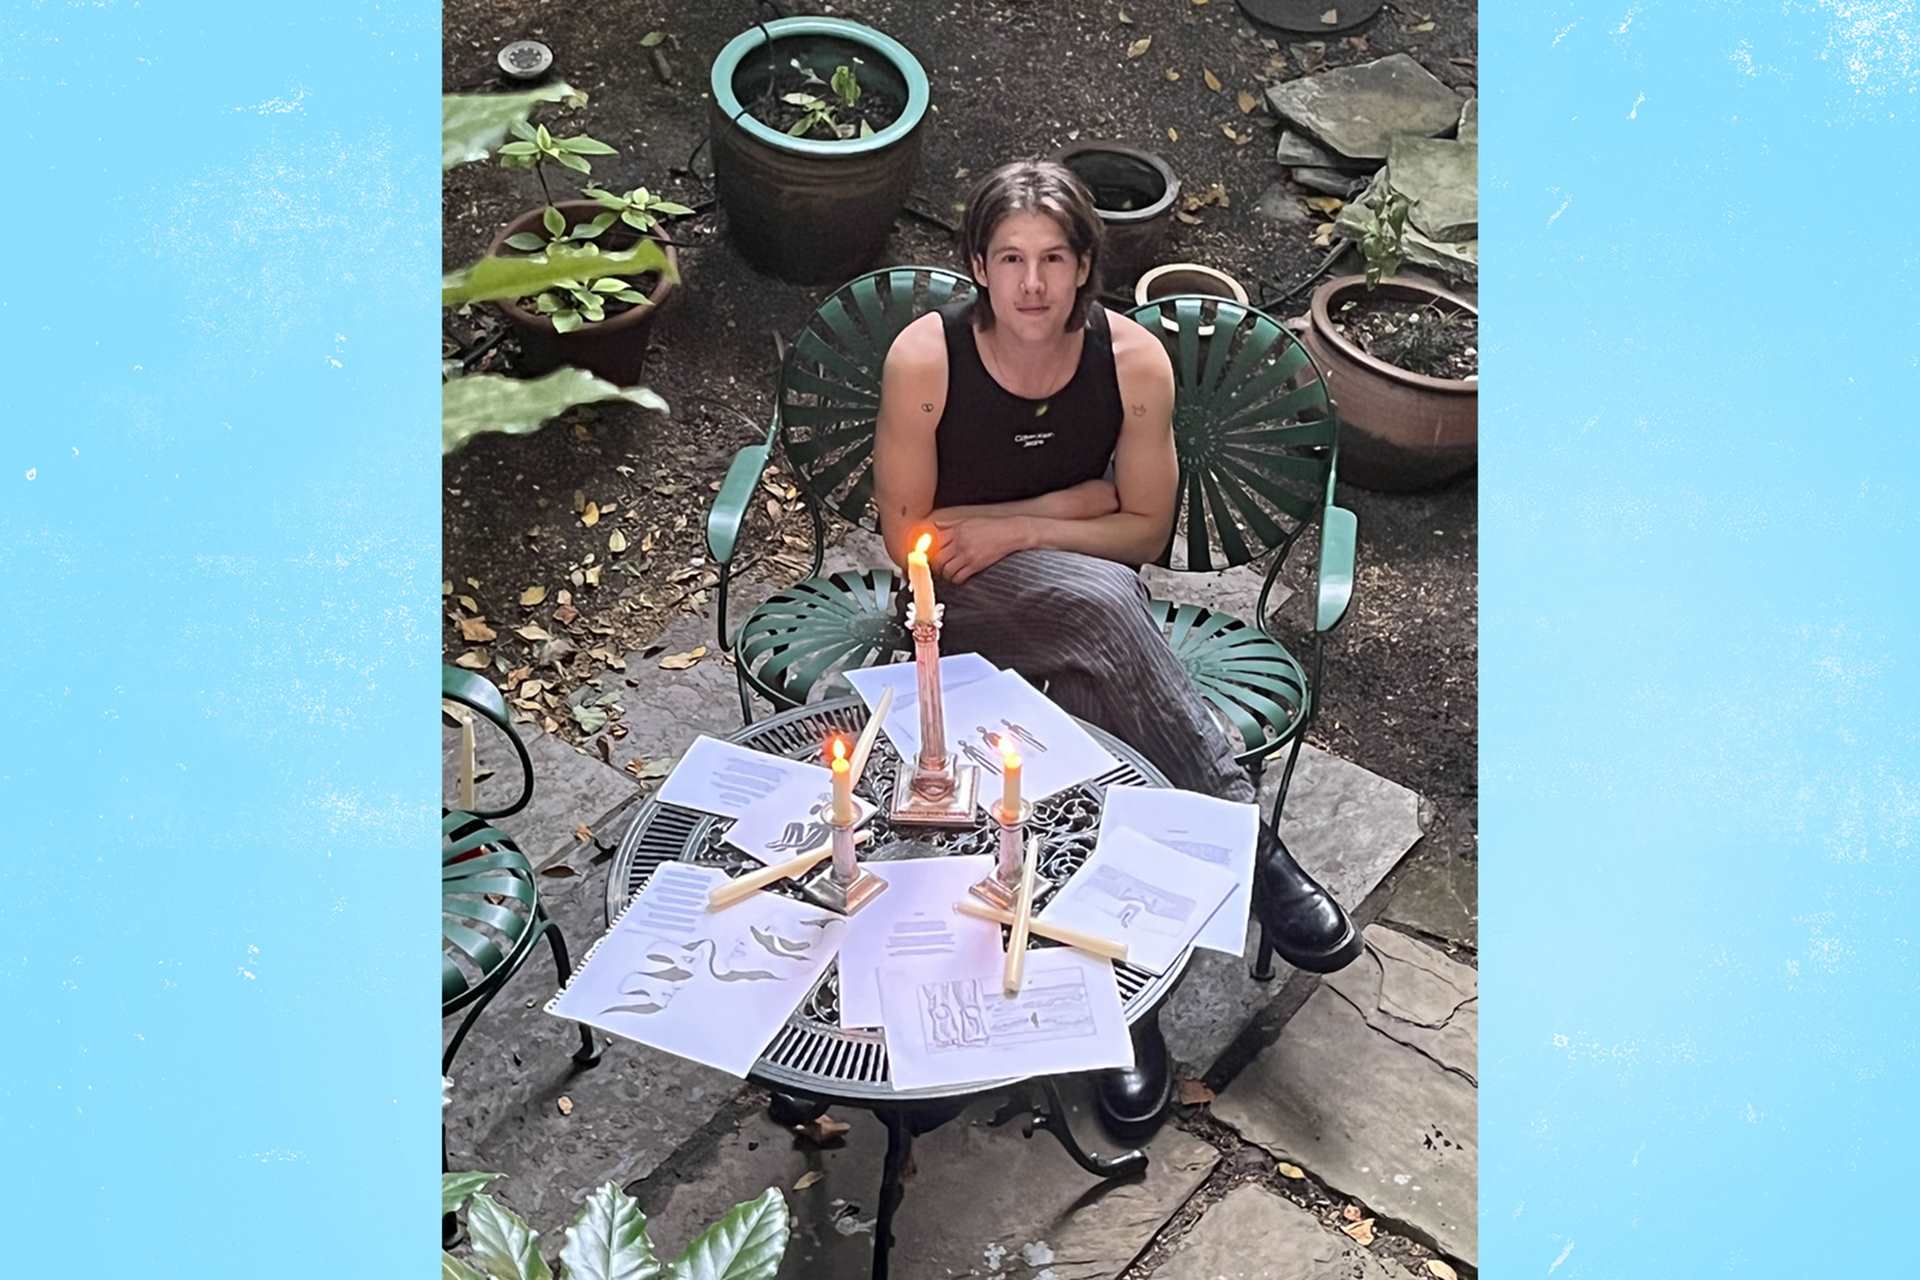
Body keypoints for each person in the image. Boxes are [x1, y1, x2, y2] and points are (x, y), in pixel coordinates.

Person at [871, 159, 1363, 1139]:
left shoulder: (1132, 362)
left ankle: (1115, 1004)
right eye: (1011, 258)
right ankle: (1247, 848)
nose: (1033, 285)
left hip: (1077, 598)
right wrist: (1078, 504)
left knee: (1094, 687)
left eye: (1054, 258)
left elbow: (1143, 530)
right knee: (1103, 607)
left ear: (1087, 264)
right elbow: (912, 537)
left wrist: (1014, 525)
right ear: (978, 264)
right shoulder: (927, 360)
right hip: (951, 603)